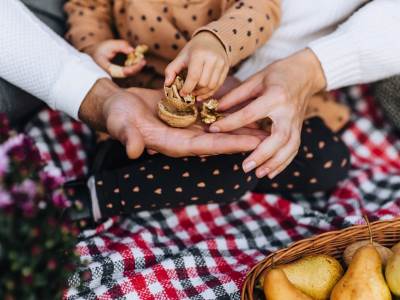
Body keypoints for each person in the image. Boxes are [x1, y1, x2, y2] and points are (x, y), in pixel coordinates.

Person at [0, 0, 262, 160]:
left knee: (235, 163)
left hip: (210, 99)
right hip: (135, 94)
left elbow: (261, 8)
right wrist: (94, 46)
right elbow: (87, 8)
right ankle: (97, 194)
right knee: (126, 156)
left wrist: (218, 40)